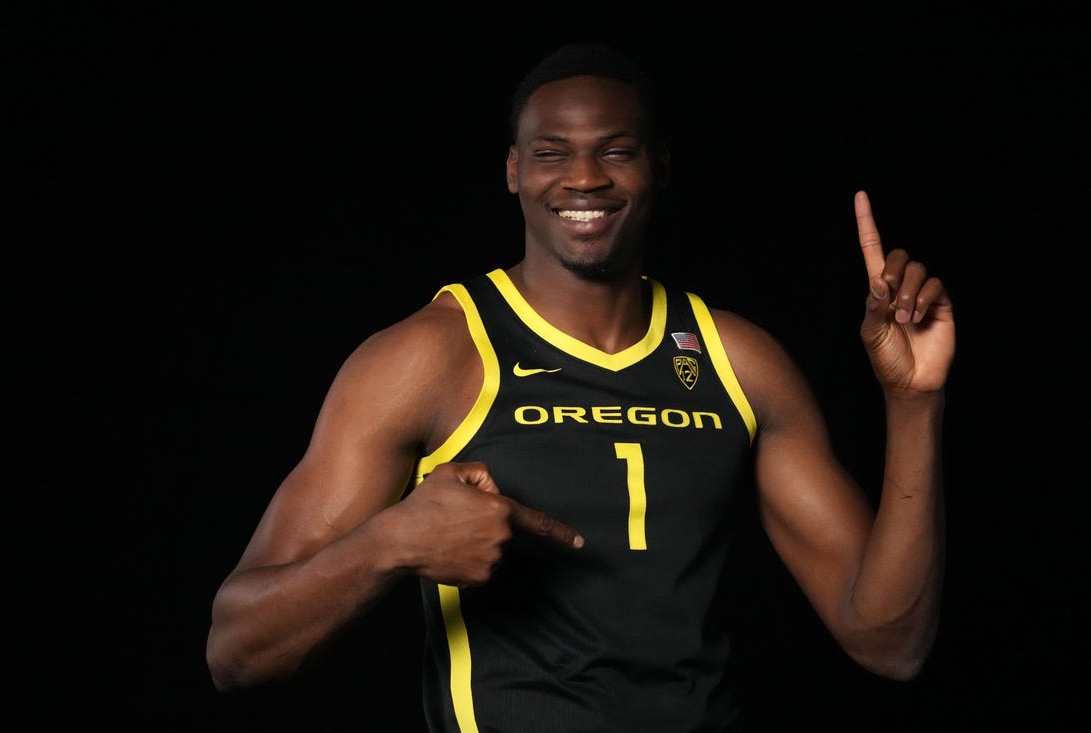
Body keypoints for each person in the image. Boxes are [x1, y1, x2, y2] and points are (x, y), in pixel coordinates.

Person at [206, 42, 954, 732]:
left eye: (615, 152)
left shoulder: (738, 360)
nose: (585, 178)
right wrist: (387, 543)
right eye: (552, 153)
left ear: (659, 165)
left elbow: (889, 640)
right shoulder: (433, 355)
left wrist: (913, 404)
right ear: (513, 170)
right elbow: (235, 647)